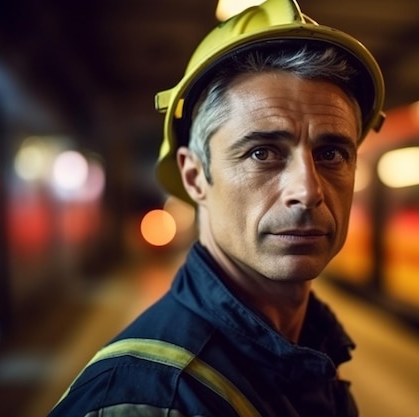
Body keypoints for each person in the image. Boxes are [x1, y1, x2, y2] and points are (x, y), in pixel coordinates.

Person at [48, 0, 385, 415]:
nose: (308, 190)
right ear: (194, 177)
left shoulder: (312, 355)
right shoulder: (148, 400)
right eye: (263, 152)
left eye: (332, 153)